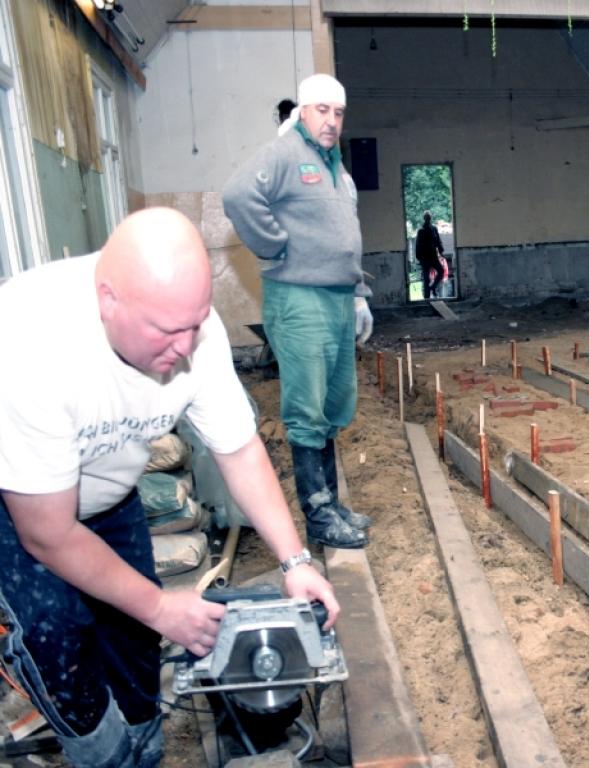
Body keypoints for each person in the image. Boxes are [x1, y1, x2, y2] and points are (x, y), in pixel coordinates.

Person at [0, 207, 341, 768]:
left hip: (108, 495)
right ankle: (105, 757)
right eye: (167, 332)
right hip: (25, 511)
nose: (186, 349)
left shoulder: (190, 330)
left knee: (134, 648)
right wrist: (161, 605)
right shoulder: (31, 342)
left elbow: (239, 449)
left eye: (196, 325)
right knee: (61, 642)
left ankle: (145, 748)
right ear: (108, 301)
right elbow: (49, 533)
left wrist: (294, 561)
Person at [223, 73, 372, 550]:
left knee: (331, 405)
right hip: (300, 299)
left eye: (339, 112)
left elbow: (347, 232)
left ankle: (331, 502)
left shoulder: (336, 166)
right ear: (304, 111)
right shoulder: (285, 152)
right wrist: (274, 244)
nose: (331, 120)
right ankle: (318, 515)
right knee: (306, 408)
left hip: (337, 298)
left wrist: (358, 292)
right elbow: (237, 194)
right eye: (322, 110)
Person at [415, 211, 445, 299]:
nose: (428, 219)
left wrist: (441, 252)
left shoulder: (434, 229)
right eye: (427, 217)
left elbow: (438, 241)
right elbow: (417, 245)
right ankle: (427, 297)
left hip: (433, 256)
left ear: (430, 218)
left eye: (429, 217)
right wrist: (419, 257)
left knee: (441, 271)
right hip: (424, 258)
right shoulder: (421, 231)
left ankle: (433, 287)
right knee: (426, 278)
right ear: (424, 219)